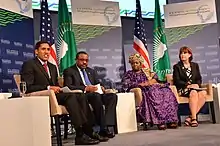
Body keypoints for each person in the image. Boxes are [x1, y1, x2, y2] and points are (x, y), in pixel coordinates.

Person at [20, 41, 106, 145]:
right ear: (36, 52)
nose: (47, 52)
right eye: (43, 49)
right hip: (41, 96)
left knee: (81, 95)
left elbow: (55, 84)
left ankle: (88, 130)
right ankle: (80, 134)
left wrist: (60, 88)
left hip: (54, 95)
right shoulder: (29, 65)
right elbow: (28, 87)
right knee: (71, 97)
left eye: (48, 49)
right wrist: (48, 87)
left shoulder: (52, 66)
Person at [63, 51, 117, 138]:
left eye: (86, 60)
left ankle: (108, 125)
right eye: (82, 60)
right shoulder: (69, 71)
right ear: (76, 60)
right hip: (83, 95)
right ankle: (101, 129)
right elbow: (68, 86)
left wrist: (102, 87)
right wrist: (85, 88)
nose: (84, 62)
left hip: (96, 94)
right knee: (95, 96)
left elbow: (97, 83)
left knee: (112, 96)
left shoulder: (91, 71)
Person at [121, 53, 178, 130]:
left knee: (167, 92)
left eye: (136, 63)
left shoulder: (146, 71)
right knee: (154, 94)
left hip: (153, 87)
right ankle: (160, 121)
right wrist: (143, 84)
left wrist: (151, 82)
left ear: (141, 63)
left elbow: (155, 78)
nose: (134, 65)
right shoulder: (129, 74)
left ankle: (171, 120)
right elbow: (126, 85)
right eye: (132, 63)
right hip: (143, 90)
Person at [173, 46, 206, 127]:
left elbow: (198, 78)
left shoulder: (195, 65)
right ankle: (194, 119)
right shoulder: (177, 67)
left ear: (190, 55)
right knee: (194, 93)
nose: (182, 55)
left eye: (185, 53)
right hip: (183, 89)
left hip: (194, 88)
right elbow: (177, 81)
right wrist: (187, 85)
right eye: (181, 53)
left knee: (203, 93)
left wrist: (197, 85)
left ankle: (190, 117)